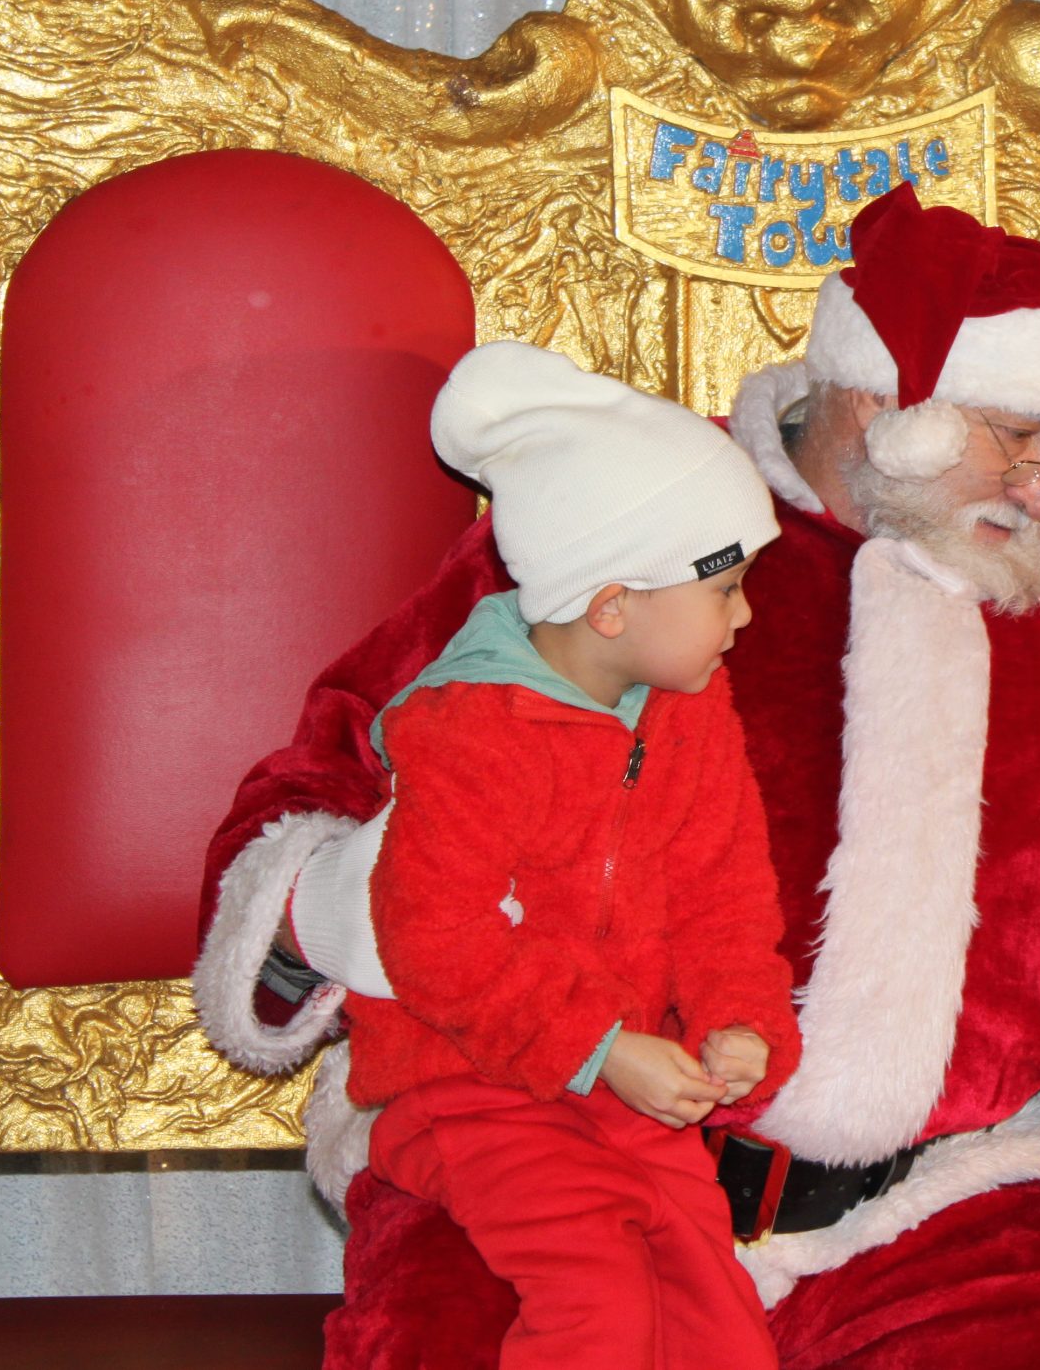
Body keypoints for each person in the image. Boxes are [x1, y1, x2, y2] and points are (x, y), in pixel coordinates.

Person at [193, 183, 1040, 1370]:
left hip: (926, 1211)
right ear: (880, 398)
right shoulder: (634, 541)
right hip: (532, 1143)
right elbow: (323, 787)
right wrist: (333, 908)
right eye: (1014, 438)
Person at [337, 341, 798, 1370]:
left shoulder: (690, 711)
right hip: (466, 1082)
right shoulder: (468, 730)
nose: (746, 614)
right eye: (725, 588)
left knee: (718, 1317)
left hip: (626, 1084)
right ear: (611, 604)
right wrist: (599, 1046)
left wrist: (737, 1021)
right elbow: (431, 940)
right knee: (599, 1298)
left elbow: (724, 895)